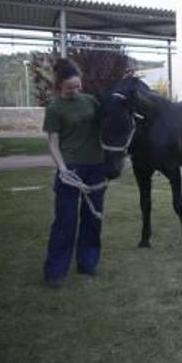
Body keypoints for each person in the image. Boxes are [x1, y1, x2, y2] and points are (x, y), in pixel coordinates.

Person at [42, 58, 107, 288]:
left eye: (78, 87)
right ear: (59, 85)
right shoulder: (55, 109)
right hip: (70, 170)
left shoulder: (91, 102)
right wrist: (62, 168)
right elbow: (52, 142)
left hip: (96, 167)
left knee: (92, 220)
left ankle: (88, 264)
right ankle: (55, 272)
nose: (75, 91)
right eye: (70, 88)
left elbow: (107, 127)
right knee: (65, 221)